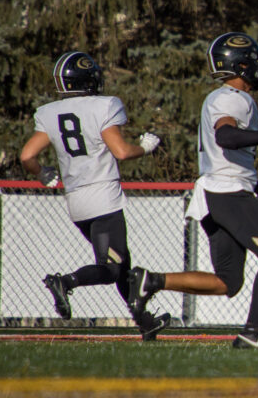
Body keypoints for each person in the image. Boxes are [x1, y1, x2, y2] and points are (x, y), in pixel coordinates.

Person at [127, 32, 258, 349]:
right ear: (242, 65)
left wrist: (257, 184)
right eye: (255, 63)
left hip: (215, 191)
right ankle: (252, 333)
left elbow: (224, 153)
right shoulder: (232, 98)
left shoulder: (222, 97)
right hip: (227, 193)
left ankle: (153, 281)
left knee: (228, 281)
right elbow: (225, 137)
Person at [19, 51, 168, 341]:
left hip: (76, 200)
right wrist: (147, 148)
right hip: (103, 196)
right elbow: (122, 151)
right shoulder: (105, 105)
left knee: (121, 263)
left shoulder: (49, 112)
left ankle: (145, 322)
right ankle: (66, 281)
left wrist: (41, 172)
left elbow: (27, 155)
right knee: (111, 268)